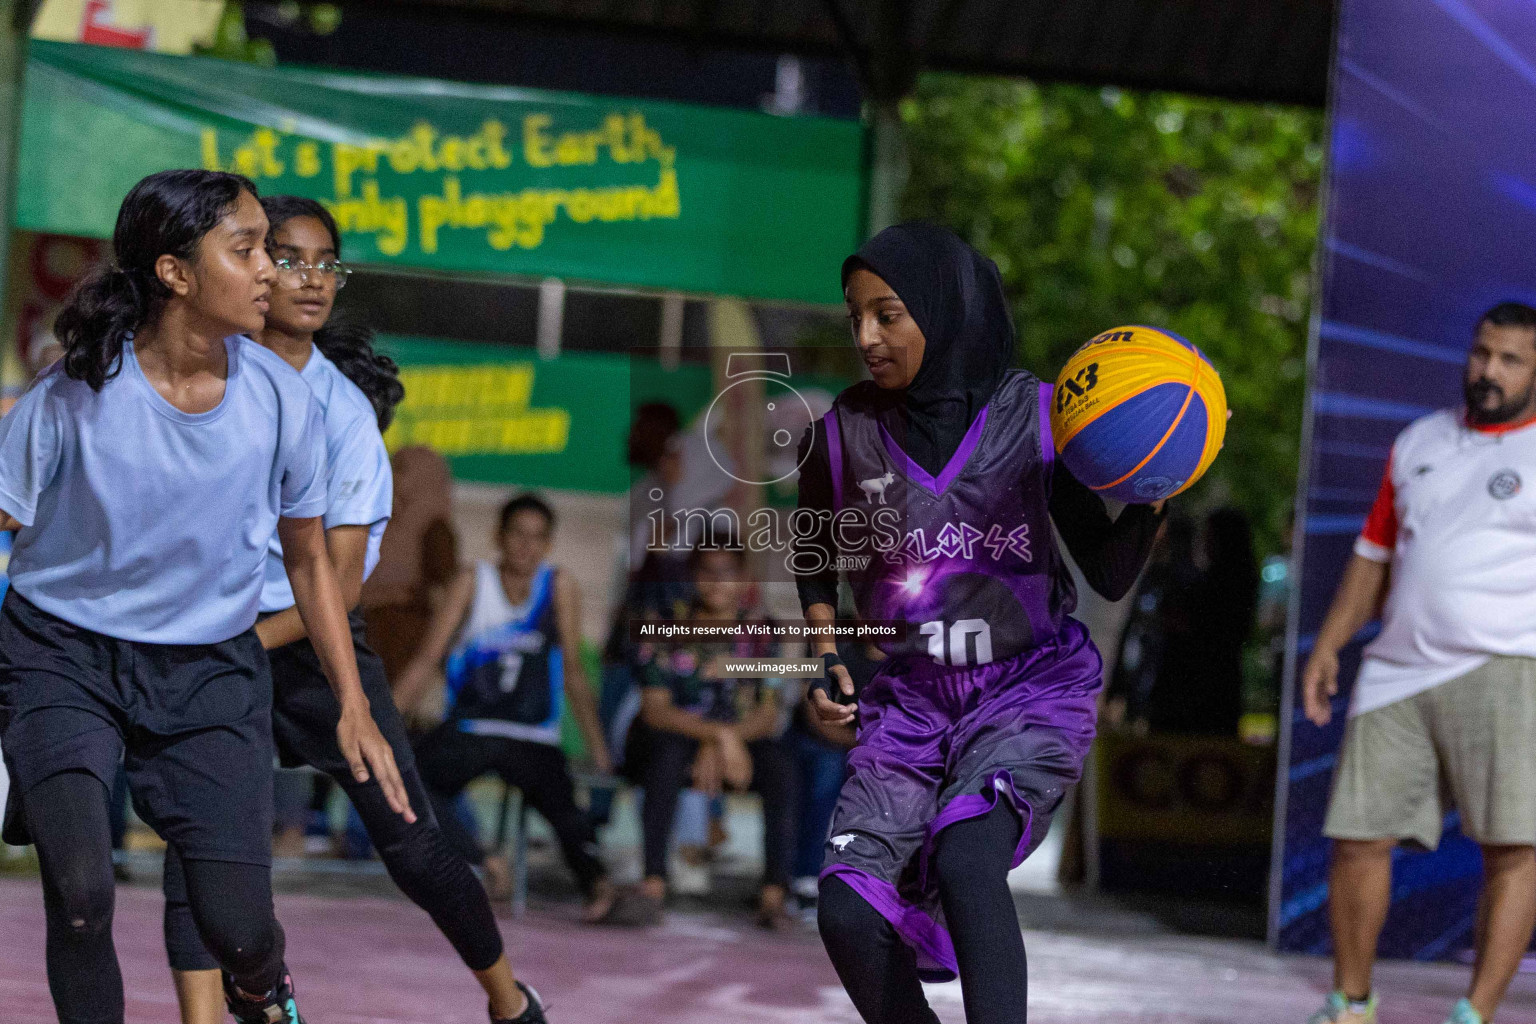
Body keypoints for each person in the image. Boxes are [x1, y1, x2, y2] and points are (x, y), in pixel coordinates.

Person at [0, 169, 411, 1024]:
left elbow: (308, 559)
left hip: (209, 672)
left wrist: (352, 701)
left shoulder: (280, 401)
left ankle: (266, 990)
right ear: (175, 272)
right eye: (249, 248)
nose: (275, 270)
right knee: (80, 894)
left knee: (239, 932)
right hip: (63, 656)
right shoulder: (71, 394)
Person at [159, 195, 546, 1024]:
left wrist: (232, 641)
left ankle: (511, 1002)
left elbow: (336, 588)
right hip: (212, 642)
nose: (308, 278)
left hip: (308, 644)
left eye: (324, 262)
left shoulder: (345, 421)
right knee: (202, 842)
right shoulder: (200, 372)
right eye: (286, 257)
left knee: (413, 844)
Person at [798, 223, 1166, 1024]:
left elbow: (1105, 567)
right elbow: (813, 560)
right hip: (910, 703)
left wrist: (1159, 481)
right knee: (846, 912)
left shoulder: (1037, 419)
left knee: (969, 858)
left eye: (887, 315)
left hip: (1028, 687)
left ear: (945, 309)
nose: (866, 336)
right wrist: (825, 658)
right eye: (855, 316)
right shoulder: (836, 439)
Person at [1301, 302, 1536, 1024]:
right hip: (1398, 669)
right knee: (1357, 836)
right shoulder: (1419, 440)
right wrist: (1330, 644)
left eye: (1509, 360)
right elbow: (1373, 555)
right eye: (1481, 354)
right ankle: (1352, 1002)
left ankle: (1476, 1014)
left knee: (1513, 847)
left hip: (1507, 665)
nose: (1488, 371)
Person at [398, 492, 616, 919]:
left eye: (537, 538)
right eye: (517, 534)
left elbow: (573, 671)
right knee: (409, 780)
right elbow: (427, 657)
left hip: (531, 734)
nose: (526, 546)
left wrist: (598, 747)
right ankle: (482, 860)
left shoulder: (558, 586)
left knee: (562, 804)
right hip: (472, 729)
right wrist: (380, 725)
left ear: (548, 544)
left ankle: (599, 885)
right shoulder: (472, 581)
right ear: (499, 535)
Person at [602, 537, 796, 929]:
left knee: (782, 767)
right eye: (707, 571)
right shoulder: (661, 625)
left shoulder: (763, 633)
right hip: (665, 740)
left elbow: (768, 715)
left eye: (727, 573)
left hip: (732, 745)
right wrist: (720, 738)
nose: (717, 582)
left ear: (743, 579)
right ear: (691, 577)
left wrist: (725, 740)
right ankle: (653, 886)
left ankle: (774, 896)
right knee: (669, 751)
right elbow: (655, 711)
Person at [1146, 507, 1258, 736]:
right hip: (1214, 691)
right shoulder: (1234, 580)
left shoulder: (1220, 584)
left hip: (1195, 692)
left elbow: (1205, 627)